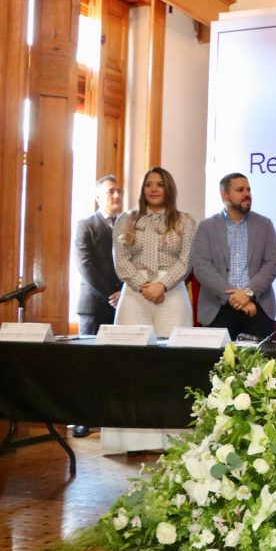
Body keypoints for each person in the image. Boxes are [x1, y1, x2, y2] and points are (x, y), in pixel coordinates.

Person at [107, 166, 196, 453]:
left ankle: (172, 441)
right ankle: (132, 441)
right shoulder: (126, 220)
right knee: (130, 365)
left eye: (159, 184)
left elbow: (186, 262)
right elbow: (121, 261)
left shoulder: (185, 221)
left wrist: (162, 285)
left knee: (171, 367)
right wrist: (143, 285)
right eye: (148, 185)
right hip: (134, 296)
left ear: (169, 188)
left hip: (173, 295)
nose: (154, 189)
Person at [191, 173, 276, 339]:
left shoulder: (264, 224)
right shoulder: (206, 227)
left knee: (258, 357)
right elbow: (201, 267)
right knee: (220, 357)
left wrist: (247, 293)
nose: (247, 194)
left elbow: (272, 264)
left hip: (257, 307)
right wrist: (234, 297)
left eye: (248, 189)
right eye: (240, 190)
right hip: (217, 308)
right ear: (225, 195)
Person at [72, 175, 124, 438]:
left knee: (116, 364)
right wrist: (111, 294)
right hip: (94, 306)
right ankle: (83, 418)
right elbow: (86, 266)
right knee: (88, 365)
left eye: (119, 191)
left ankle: (112, 418)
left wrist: (124, 293)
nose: (116, 196)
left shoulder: (129, 226)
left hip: (125, 305)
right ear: (98, 197)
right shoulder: (85, 225)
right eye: (111, 191)